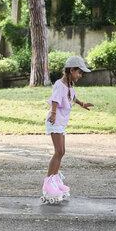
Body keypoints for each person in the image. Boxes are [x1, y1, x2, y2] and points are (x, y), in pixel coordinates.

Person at [41, 56, 94, 204]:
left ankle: (55, 180)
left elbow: (73, 98)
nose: (80, 75)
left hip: (60, 123)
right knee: (58, 152)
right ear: (71, 70)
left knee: (62, 152)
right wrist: (53, 114)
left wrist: (82, 104)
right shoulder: (60, 84)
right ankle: (48, 183)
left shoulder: (69, 86)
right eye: (79, 72)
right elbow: (55, 100)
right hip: (54, 121)